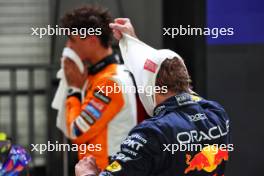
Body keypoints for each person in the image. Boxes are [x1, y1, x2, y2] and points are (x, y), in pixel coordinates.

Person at [75, 18, 231, 176]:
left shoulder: (151, 133)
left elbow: (77, 131)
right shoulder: (216, 113)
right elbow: (176, 79)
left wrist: (86, 173)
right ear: (185, 79)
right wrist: (132, 43)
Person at [62, 6, 145, 170]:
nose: (68, 46)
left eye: (72, 40)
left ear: (92, 40)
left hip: (106, 170)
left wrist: (74, 91)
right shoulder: (96, 74)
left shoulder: (110, 82)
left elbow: (77, 132)